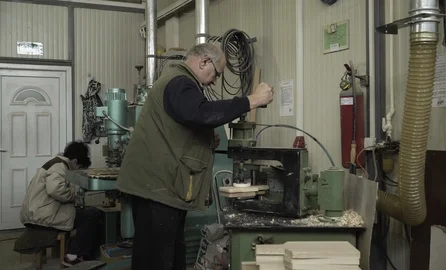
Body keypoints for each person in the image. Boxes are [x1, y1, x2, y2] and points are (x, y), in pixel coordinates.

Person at [116, 43, 274, 269]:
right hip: (158, 188)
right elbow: (201, 113)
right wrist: (251, 100)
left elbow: (181, 126)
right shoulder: (180, 82)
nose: (215, 80)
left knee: (170, 256)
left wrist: (207, 140)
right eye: (217, 74)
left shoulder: (179, 82)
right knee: (156, 260)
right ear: (203, 62)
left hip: (161, 187)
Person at [19, 141, 103, 267]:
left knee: (87, 213)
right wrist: (73, 197)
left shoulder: (55, 163)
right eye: (79, 167)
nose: (77, 170)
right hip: (43, 216)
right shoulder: (59, 166)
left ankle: (80, 251)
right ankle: (73, 256)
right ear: (74, 161)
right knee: (93, 214)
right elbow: (55, 189)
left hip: (37, 212)